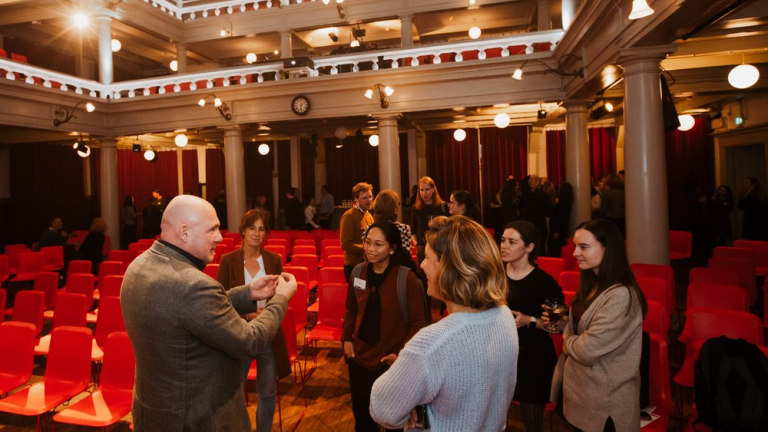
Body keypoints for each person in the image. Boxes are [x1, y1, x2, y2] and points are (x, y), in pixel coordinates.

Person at [121, 195, 297, 432]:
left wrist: (248, 293)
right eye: (212, 229)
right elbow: (248, 340)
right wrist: (280, 300)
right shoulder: (193, 285)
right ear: (184, 232)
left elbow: (192, 310)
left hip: (153, 412)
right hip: (199, 418)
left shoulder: (138, 266)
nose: (219, 237)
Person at [370, 216, 518, 431]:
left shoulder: (431, 343)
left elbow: (383, 409)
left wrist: (413, 404)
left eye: (428, 258)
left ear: (449, 269)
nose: (421, 264)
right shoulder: (504, 315)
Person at [546, 219, 647, 432]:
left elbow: (586, 350)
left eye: (583, 247)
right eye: (575, 246)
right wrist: (565, 324)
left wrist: (567, 335)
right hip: (580, 394)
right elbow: (581, 333)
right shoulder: (593, 284)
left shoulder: (621, 296)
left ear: (608, 249)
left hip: (605, 403)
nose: (574, 253)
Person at [342, 221, 428, 432]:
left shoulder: (406, 279)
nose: (370, 249)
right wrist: (346, 339)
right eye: (367, 242)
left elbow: (419, 324)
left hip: (391, 363)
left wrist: (401, 356)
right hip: (359, 359)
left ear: (392, 248)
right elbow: (351, 309)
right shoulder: (358, 272)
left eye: (378, 244)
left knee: (393, 424)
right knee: (363, 421)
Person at [216, 209, 291, 432]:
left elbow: (280, 297)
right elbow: (221, 302)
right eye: (252, 228)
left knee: (267, 394)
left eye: (261, 229)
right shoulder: (228, 261)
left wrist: (267, 315)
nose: (256, 234)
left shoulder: (273, 260)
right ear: (243, 231)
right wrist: (248, 316)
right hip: (239, 333)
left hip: (267, 334)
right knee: (235, 393)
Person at [501, 221, 563, 432]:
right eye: (502, 240)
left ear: (529, 247)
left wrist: (530, 321)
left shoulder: (544, 283)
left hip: (533, 360)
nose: (504, 246)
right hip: (500, 355)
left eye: (512, 241)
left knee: (532, 424)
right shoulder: (493, 274)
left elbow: (560, 326)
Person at [340, 182, 374, 281]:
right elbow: (345, 244)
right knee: (359, 295)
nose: (369, 200)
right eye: (364, 198)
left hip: (367, 264)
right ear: (356, 199)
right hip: (354, 266)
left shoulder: (369, 215)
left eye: (370, 197)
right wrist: (367, 249)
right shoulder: (349, 216)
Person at [409, 176, 445, 265]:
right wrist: (417, 245)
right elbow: (413, 231)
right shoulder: (416, 208)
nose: (424, 193)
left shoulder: (441, 206)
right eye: (421, 190)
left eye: (427, 189)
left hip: (439, 247)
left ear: (433, 190)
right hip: (422, 248)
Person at [363, 189, 412, 254]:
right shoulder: (404, 229)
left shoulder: (368, 229)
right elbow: (406, 255)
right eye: (398, 204)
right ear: (394, 208)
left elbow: (367, 255)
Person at [548, 182, 573, 257]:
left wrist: (556, 231)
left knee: (555, 249)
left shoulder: (563, 203)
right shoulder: (567, 202)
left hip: (558, 230)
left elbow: (560, 218)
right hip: (561, 230)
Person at [601, 174, 626, 238]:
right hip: (623, 218)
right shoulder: (625, 192)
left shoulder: (606, 192)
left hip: (610, 218)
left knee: (611, 237)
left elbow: (604, 207)